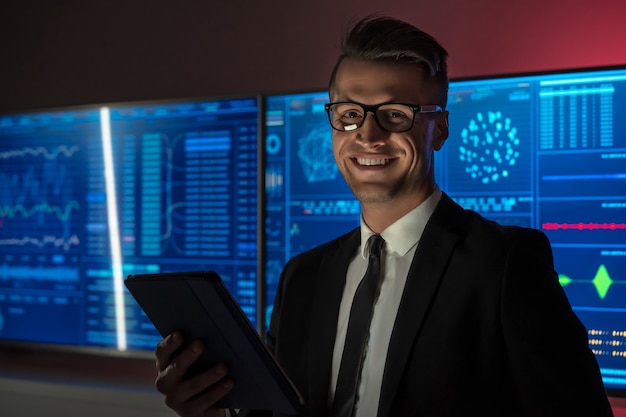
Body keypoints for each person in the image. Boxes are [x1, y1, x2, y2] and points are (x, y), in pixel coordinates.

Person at [153, 14, 614, 417]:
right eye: (350, 114)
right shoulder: (302, 278)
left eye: (395, 114)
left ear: (440, 129)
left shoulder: (505, 264)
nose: (368, 135)